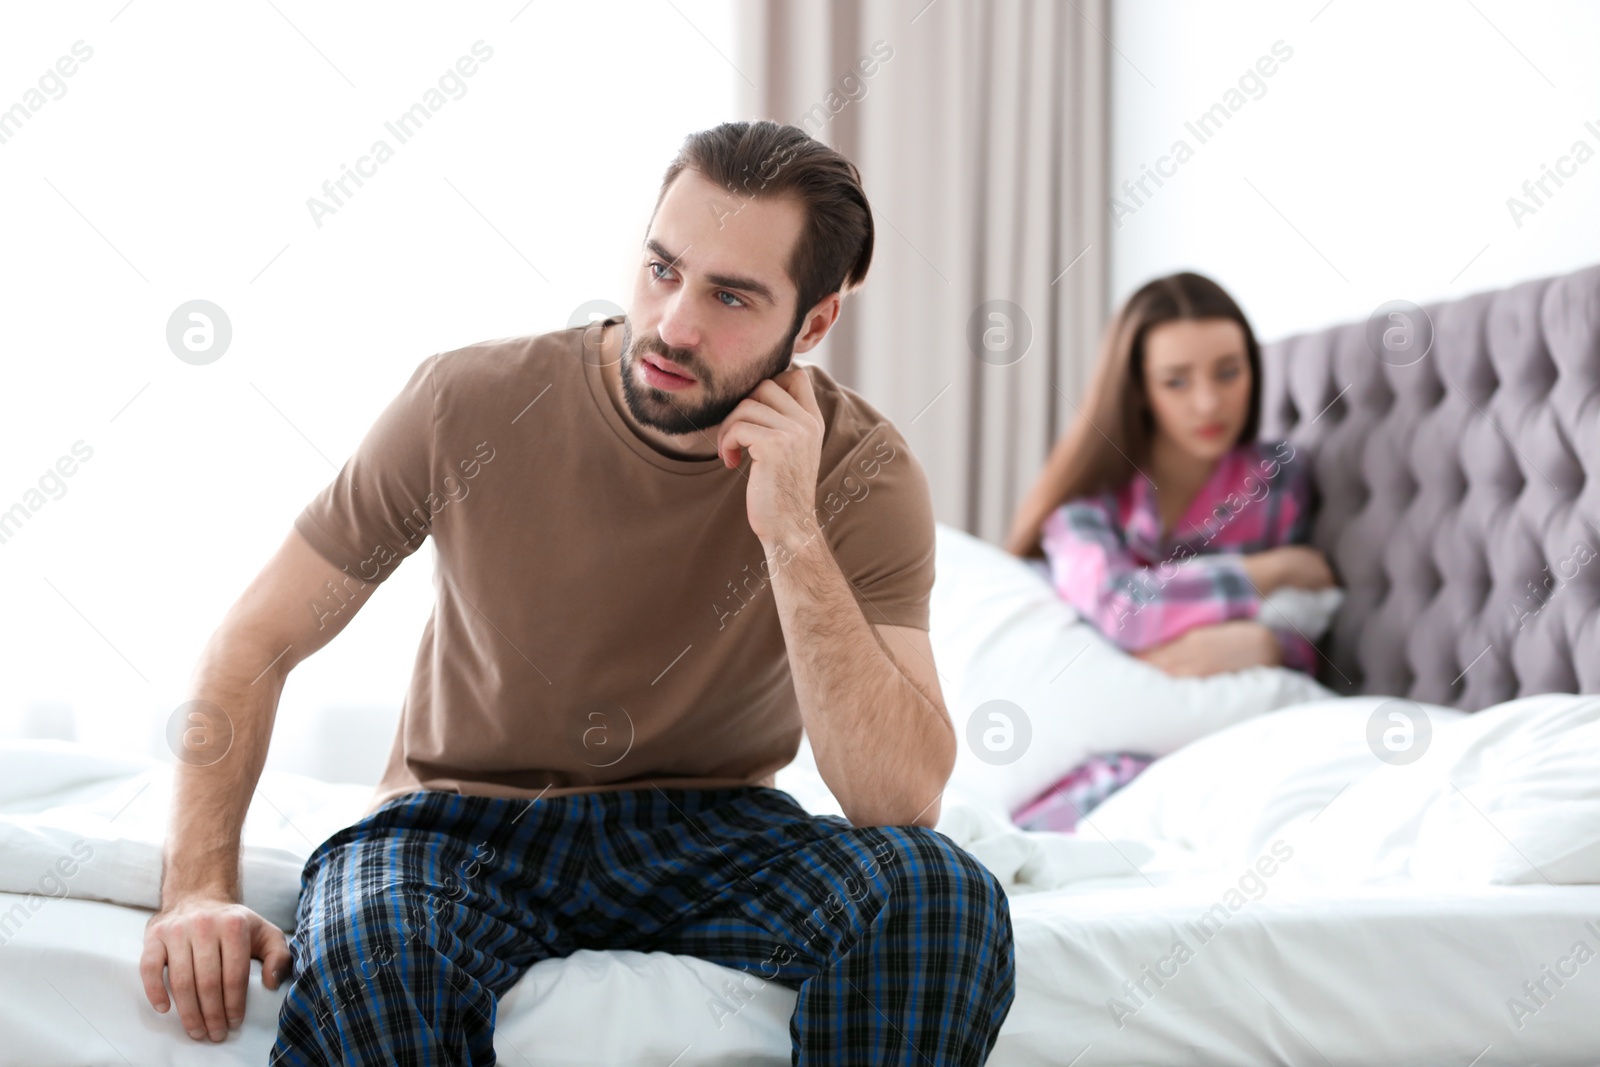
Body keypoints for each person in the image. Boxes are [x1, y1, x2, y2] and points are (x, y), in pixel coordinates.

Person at [139, 120, 1015, 1065]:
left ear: (813, 323)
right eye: (662, 269)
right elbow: (254, 640)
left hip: (712, 830)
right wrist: (196, 886)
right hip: (460, 824)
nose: (675, 324)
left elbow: (898, 797)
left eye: (730, 296)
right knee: (375, 953)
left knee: (940, 894)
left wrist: (793, 527)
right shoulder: (464, 402)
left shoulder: (864, 471)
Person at [1000, 271, 1337, 832]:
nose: (1209, 402)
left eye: (1229, 373)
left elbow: (1313, 631)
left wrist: (1264, 645)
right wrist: (1265, 571)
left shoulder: (1279, 479)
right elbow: (1122, 610)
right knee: (1053, 826)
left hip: (1223, 731)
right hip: (1093, 728)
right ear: (1139, 390)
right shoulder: (1085, 506)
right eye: (1176, 381)